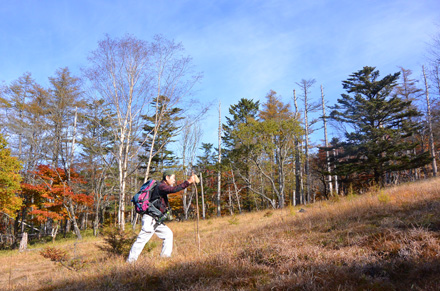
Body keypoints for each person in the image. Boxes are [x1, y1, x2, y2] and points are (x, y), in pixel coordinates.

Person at [127, 170, 196, 262]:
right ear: (167, 178)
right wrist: (188, 182)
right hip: (150, 219)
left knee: (168, 234)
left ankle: (165, 258)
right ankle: (131, 261)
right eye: (173, 178)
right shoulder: (161, 186)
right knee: (142, 240)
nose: (174, 180)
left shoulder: (161, 186)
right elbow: (173, 190)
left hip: (155, 219)